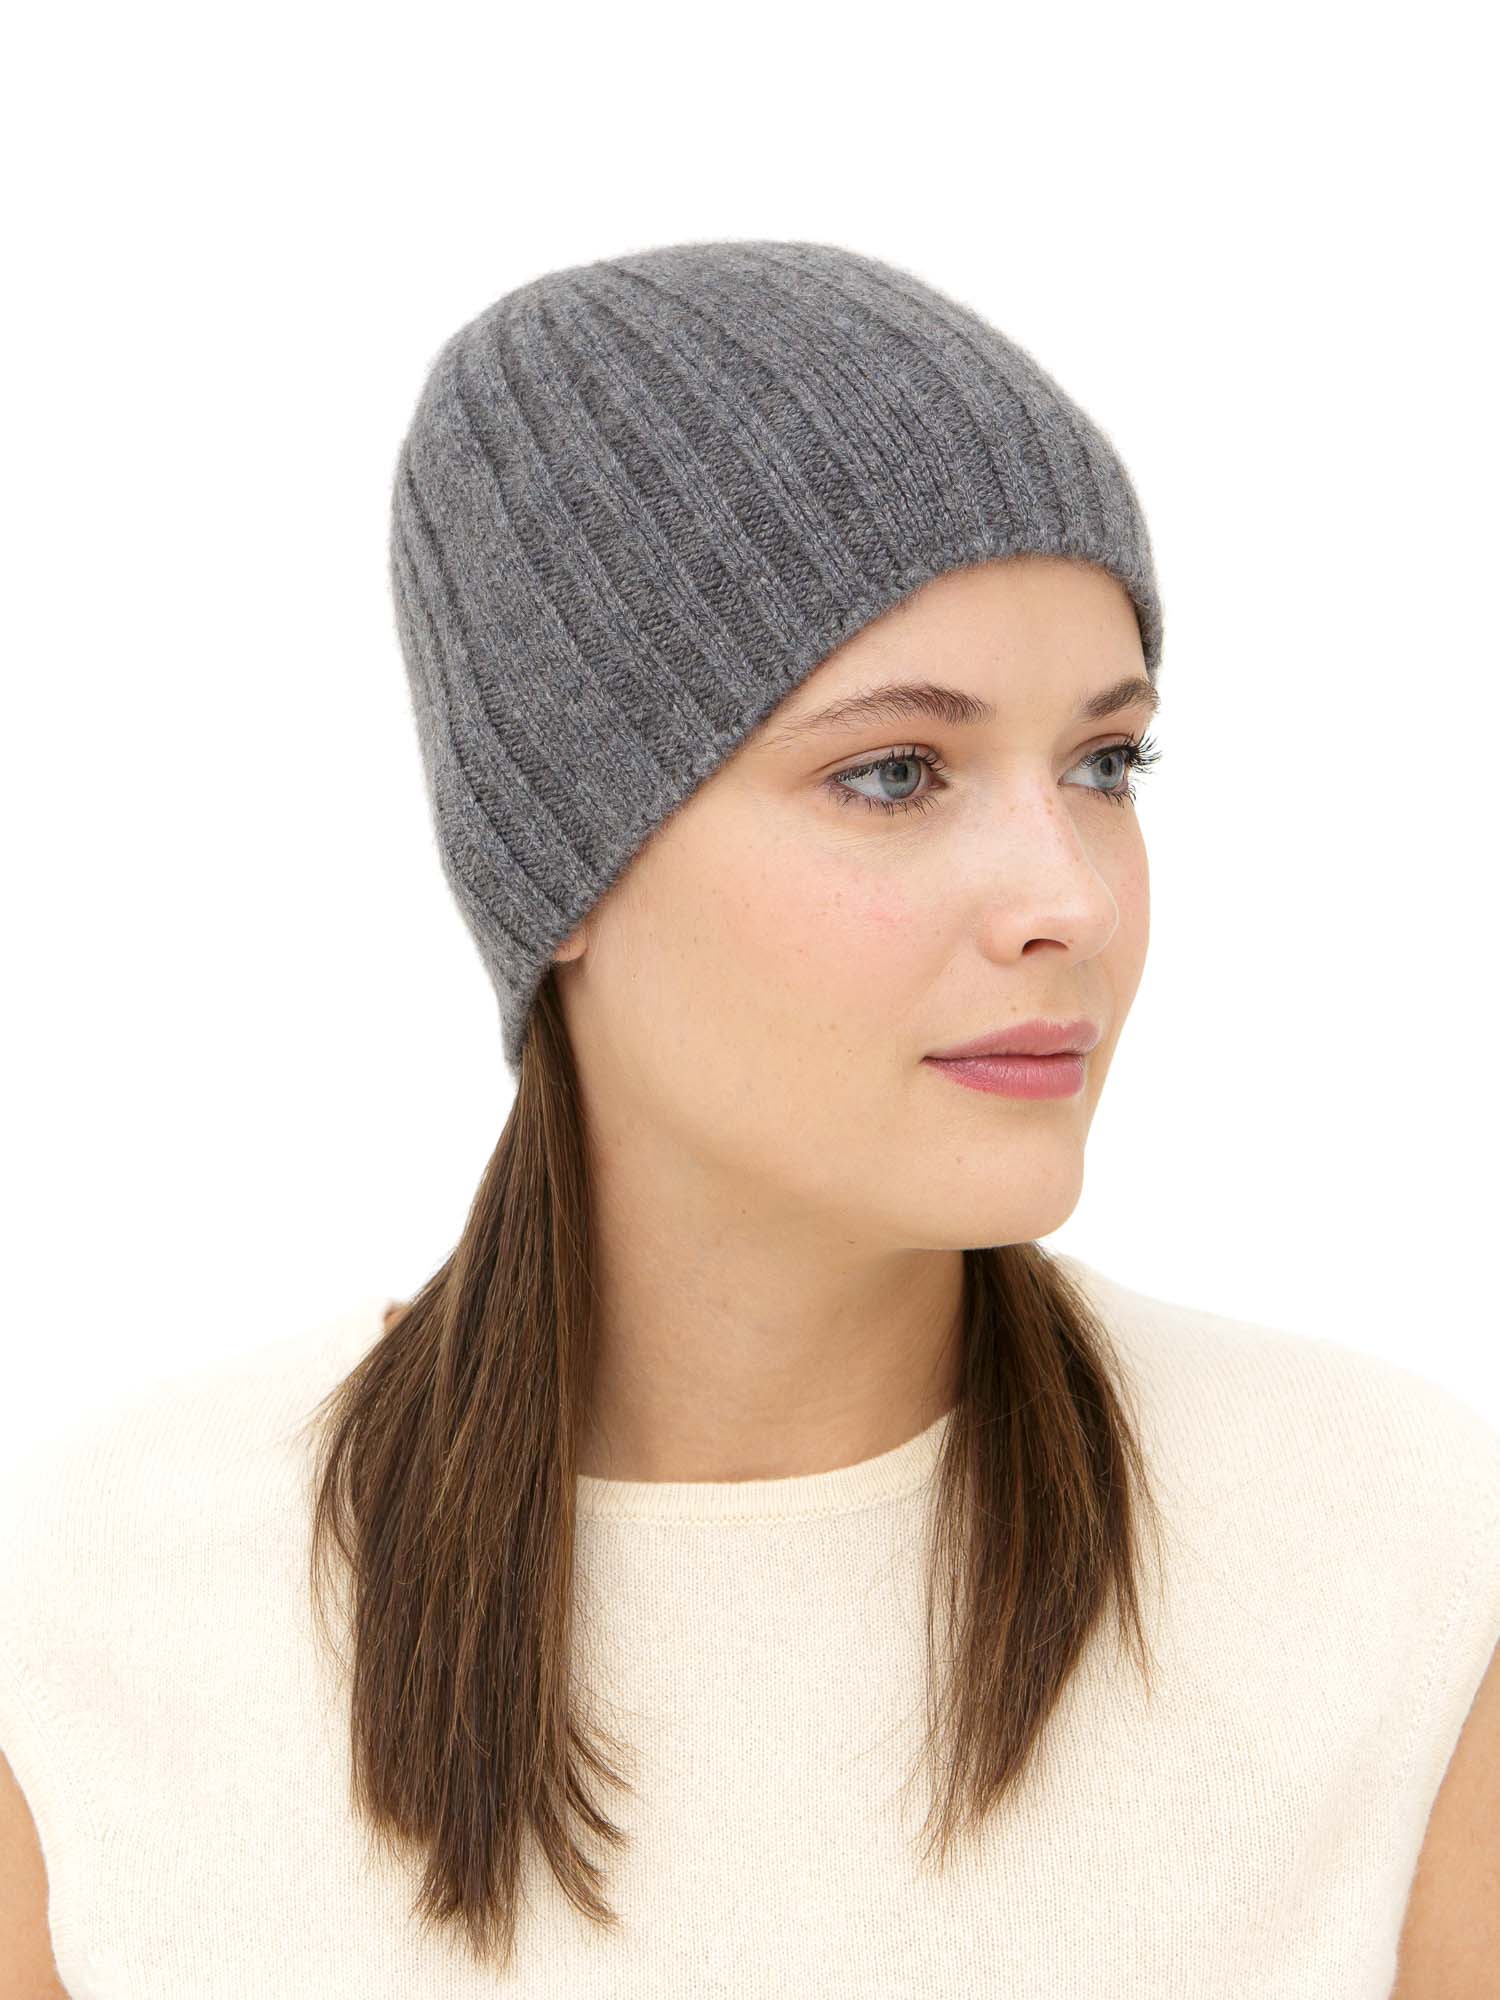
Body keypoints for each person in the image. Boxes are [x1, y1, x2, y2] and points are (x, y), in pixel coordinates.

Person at [2, 240, 1496, 1997]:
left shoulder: (1387, 1557)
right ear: (564, 864)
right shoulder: (101, 1606)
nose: (1070, 900)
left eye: (1107, 764)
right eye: (894, 773)